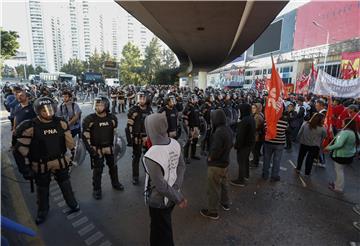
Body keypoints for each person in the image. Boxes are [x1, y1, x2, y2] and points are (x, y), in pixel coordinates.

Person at [13, 97, 79, 224]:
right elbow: (20, 149)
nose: (49, 112)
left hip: (60, 161)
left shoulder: (61, 123)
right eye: (45, 110)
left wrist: (74, 154)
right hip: (40, 164)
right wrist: (25, 169)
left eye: (50, 109)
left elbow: (70, 142)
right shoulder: (30, 126)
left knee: (66, 185)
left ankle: (73, 204)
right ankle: (42, 211)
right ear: (38, 111)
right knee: (42, 190)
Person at [143, 112, 187, 246]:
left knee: (162, 231)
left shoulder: (152, 154)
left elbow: (160, 186)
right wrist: (176, 190)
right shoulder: (175, 143)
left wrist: (179, 198)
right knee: (162, 227)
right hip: (172, 195)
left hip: (158, 200)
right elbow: (181, 167)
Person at [82, 97, 124, 200]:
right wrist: (91, 151)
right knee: (98, 170)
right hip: (97, 149)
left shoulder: (112, 118)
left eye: (100, 105)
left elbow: (115, 134)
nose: (97, 107)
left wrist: (116, 147)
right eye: (96, 104)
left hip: (110, 148)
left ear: (106, 106)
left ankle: (115, 183)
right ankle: (97, 189)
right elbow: (85, 137)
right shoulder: (89, 119)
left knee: (113, 167)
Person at [200, 109, 233, 219]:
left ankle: (212, 211)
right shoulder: (227, 129)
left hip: (216, 165)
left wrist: (210, 158)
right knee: (224, 185)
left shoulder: (219, 132)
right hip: (225, 163)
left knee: (213, 188)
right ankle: (225, 203)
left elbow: (215, 150)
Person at [326, 118, 359, 193]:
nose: (342, 123)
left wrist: (328, 147)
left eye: (343, 122)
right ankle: (337, 183)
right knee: (340, 170)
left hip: (341, 155)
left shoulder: (346, 132)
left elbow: (339, 144)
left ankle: (338, 187)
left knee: (339, 171)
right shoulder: (355, 132)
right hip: (349, 155)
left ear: (348, 124)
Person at [127, 91, 153, 185]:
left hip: (147, 137)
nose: (141, 100)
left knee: (149, 157)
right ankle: (135, 176)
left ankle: (149, 175)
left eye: (143, 98)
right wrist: (131, 139)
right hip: (137, 137)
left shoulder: (150, 110)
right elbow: (129, 126)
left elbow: (152, 123)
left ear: (147, 99)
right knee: (136, 157)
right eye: (139, 98)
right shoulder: (133, 110)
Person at [230, 103, 255, 187]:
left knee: (241, 162)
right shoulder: (251, 118)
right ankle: (246, 175)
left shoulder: (244, 121)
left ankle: (241, 180)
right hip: (249, 144)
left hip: (243, 145)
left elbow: (240, 136)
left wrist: (237, 145)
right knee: (246, 160)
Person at [262, 109, 288, 181]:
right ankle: (274, 176)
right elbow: (286, 130)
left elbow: (265, 129)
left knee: (266, 159)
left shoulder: (267, 120)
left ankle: (265, 174)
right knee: (277, 160)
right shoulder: (284, 122)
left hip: (268, 142)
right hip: (279, 143)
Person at [182, 94, 201, 164]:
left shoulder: (196, 106)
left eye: (196, 98)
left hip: (196, 127)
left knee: (195, 141)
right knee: (188, 142)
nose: (196, 99)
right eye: (194, 98)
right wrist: (188, 128)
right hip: (191, 127)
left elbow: (199, 115)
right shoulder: (188, 107)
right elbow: (184, 117)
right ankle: (185, 157)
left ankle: (193, 155)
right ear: (190, 99)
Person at [250, 103, 265, 168]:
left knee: (255, 150)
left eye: (254, 108)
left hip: (257, 136)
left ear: (258, 108)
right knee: (256, 150)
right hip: (259, 136)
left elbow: (255, 127)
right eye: (252, 108)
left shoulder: (257, 116)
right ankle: (255, 161)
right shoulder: (259, 114)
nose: (252, 109)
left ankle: (255, 163)